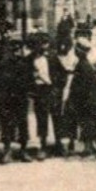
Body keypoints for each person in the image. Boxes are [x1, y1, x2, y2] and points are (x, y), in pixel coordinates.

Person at [0, 32, 32, 164]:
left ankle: (23, 150)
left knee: (23, 123)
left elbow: (29, 80)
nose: (16, 47)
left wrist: (27, 92)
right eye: (13, 44)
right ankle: (7, 150)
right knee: (7, 124)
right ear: (9, 46)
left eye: (18, 45)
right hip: (7, 98)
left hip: (21, 97)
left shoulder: (25, 61)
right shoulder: (4, 62)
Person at [66, 32, 96, 158]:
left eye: (77, 50)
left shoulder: (83, 66)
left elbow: (80, 86)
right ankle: (89, 147)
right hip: (91, 99)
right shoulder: (84, 64)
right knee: (89, 123)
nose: (76, 52)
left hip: (87, 100)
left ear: (81, 51)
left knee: (90, 123)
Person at [29, 31, 53, 160]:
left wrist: (52, 85)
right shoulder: (29, 59)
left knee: (45, 116)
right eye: (37, 45)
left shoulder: (50, 59)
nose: (41, 47)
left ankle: (45, 145)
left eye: (43, 44)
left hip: (47, 89)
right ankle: (36, 144)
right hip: (35, 90)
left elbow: (56, 74)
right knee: (35, 117)